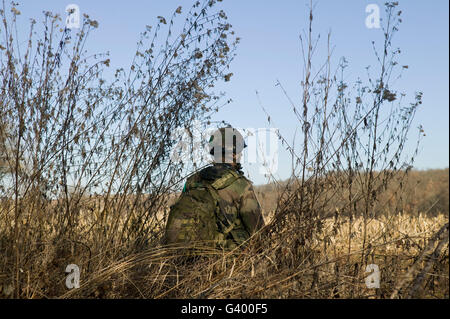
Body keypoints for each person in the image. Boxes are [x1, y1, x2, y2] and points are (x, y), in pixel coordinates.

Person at [164, 126, 265, 250]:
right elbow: (258, 232)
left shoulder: (193, 180)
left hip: (189, 253)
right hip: (224, 259)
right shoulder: (241, 184)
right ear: (234, 153)